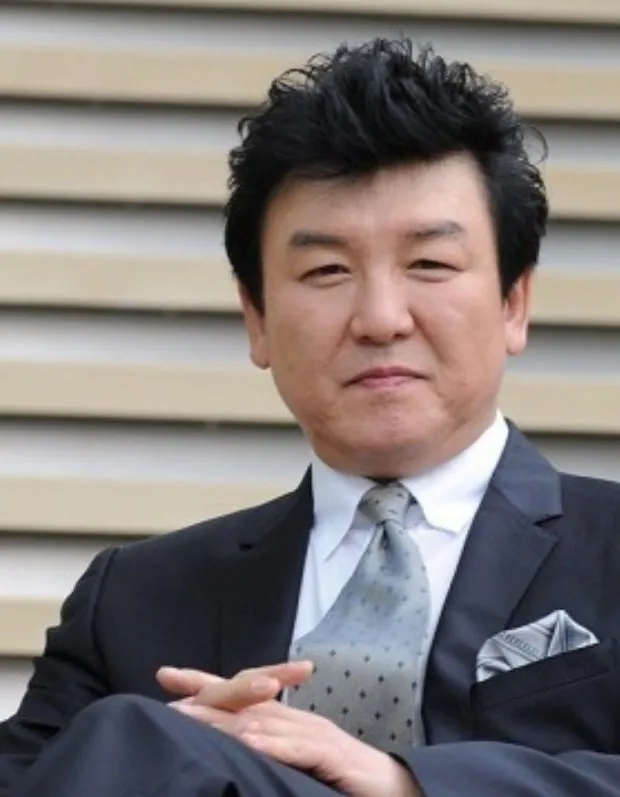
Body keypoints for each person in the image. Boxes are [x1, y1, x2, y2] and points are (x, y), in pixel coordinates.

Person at [2, 37, 620, 797]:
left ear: (513, 303)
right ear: (257, 318)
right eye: (327, 270)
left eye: (429, 264)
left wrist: (404, 781)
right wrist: (182, 750)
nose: (381, 318)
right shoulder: (134, 598)